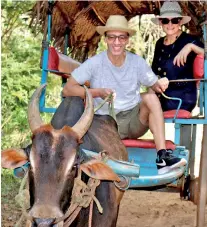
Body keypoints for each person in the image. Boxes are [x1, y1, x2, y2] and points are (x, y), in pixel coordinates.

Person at [62, 15, 187, 174]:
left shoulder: (137, 62)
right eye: (112, 37)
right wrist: (97, 92)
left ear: (127, 40)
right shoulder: (94, 63)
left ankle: (162, 157)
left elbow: (153, 84)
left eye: (121, 37)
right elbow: (68, 89)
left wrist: (160, 83)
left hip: (134, 121)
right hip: (105, 125)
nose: (117, 42)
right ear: (105, 39)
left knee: (150, 97)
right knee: (145, 98)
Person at [151, 1, 204, 112]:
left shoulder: (189, 40)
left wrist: (191, 47)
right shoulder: (159, 43)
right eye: (166, 21)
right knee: (137, 103)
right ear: (161, 22)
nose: (170, 25)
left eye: (174, 20)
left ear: (180, 22)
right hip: (161, 95)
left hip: (182, 98)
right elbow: (154, 71)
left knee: (146, 104)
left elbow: (205, 53)